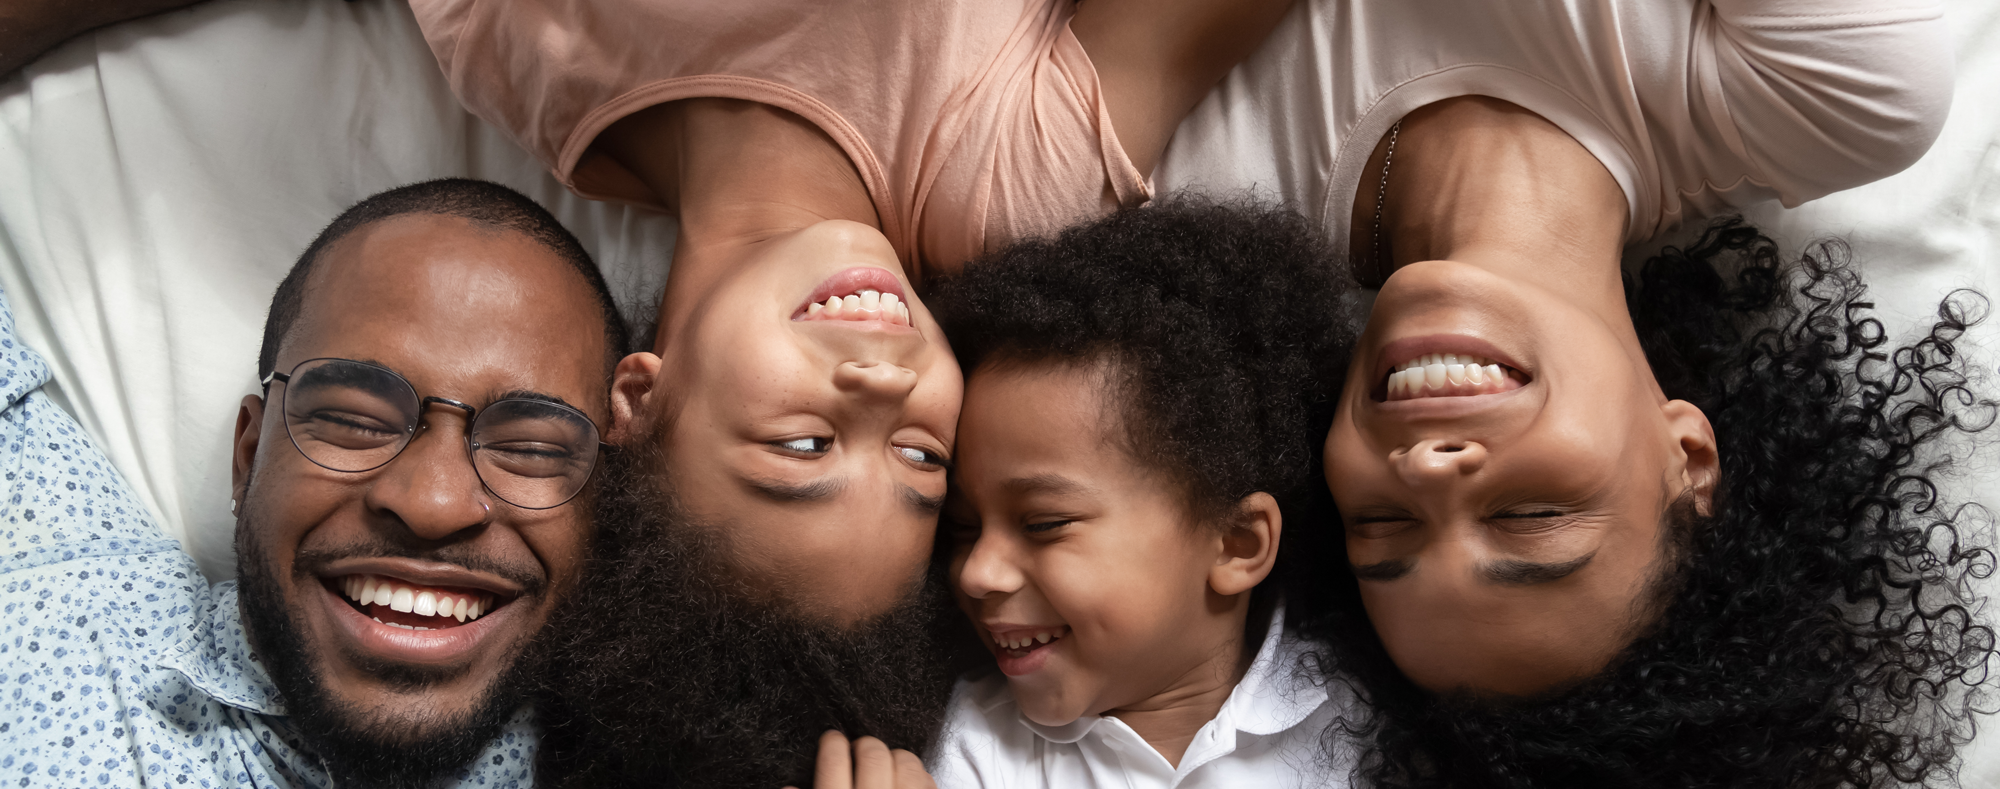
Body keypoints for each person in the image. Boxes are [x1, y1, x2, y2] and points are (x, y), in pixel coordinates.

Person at [1309, 216, 1996, 786]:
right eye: (1528, 515)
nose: (1425, 467)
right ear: (1691, 460)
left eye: (1383, 522)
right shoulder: (1811, 102)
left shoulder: (1238, 169)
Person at [0, 178, 630, 788]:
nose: (432, 505)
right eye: (354, 419)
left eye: (531, 447)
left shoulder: (674, 735)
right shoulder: (48, 608)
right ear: (247, 457)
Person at [924, 200, 1359, 787]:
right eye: (963, 528)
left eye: (1043, 523)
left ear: (1236, 543)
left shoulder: (1362, 724)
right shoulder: (969, 747)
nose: (977, 573)